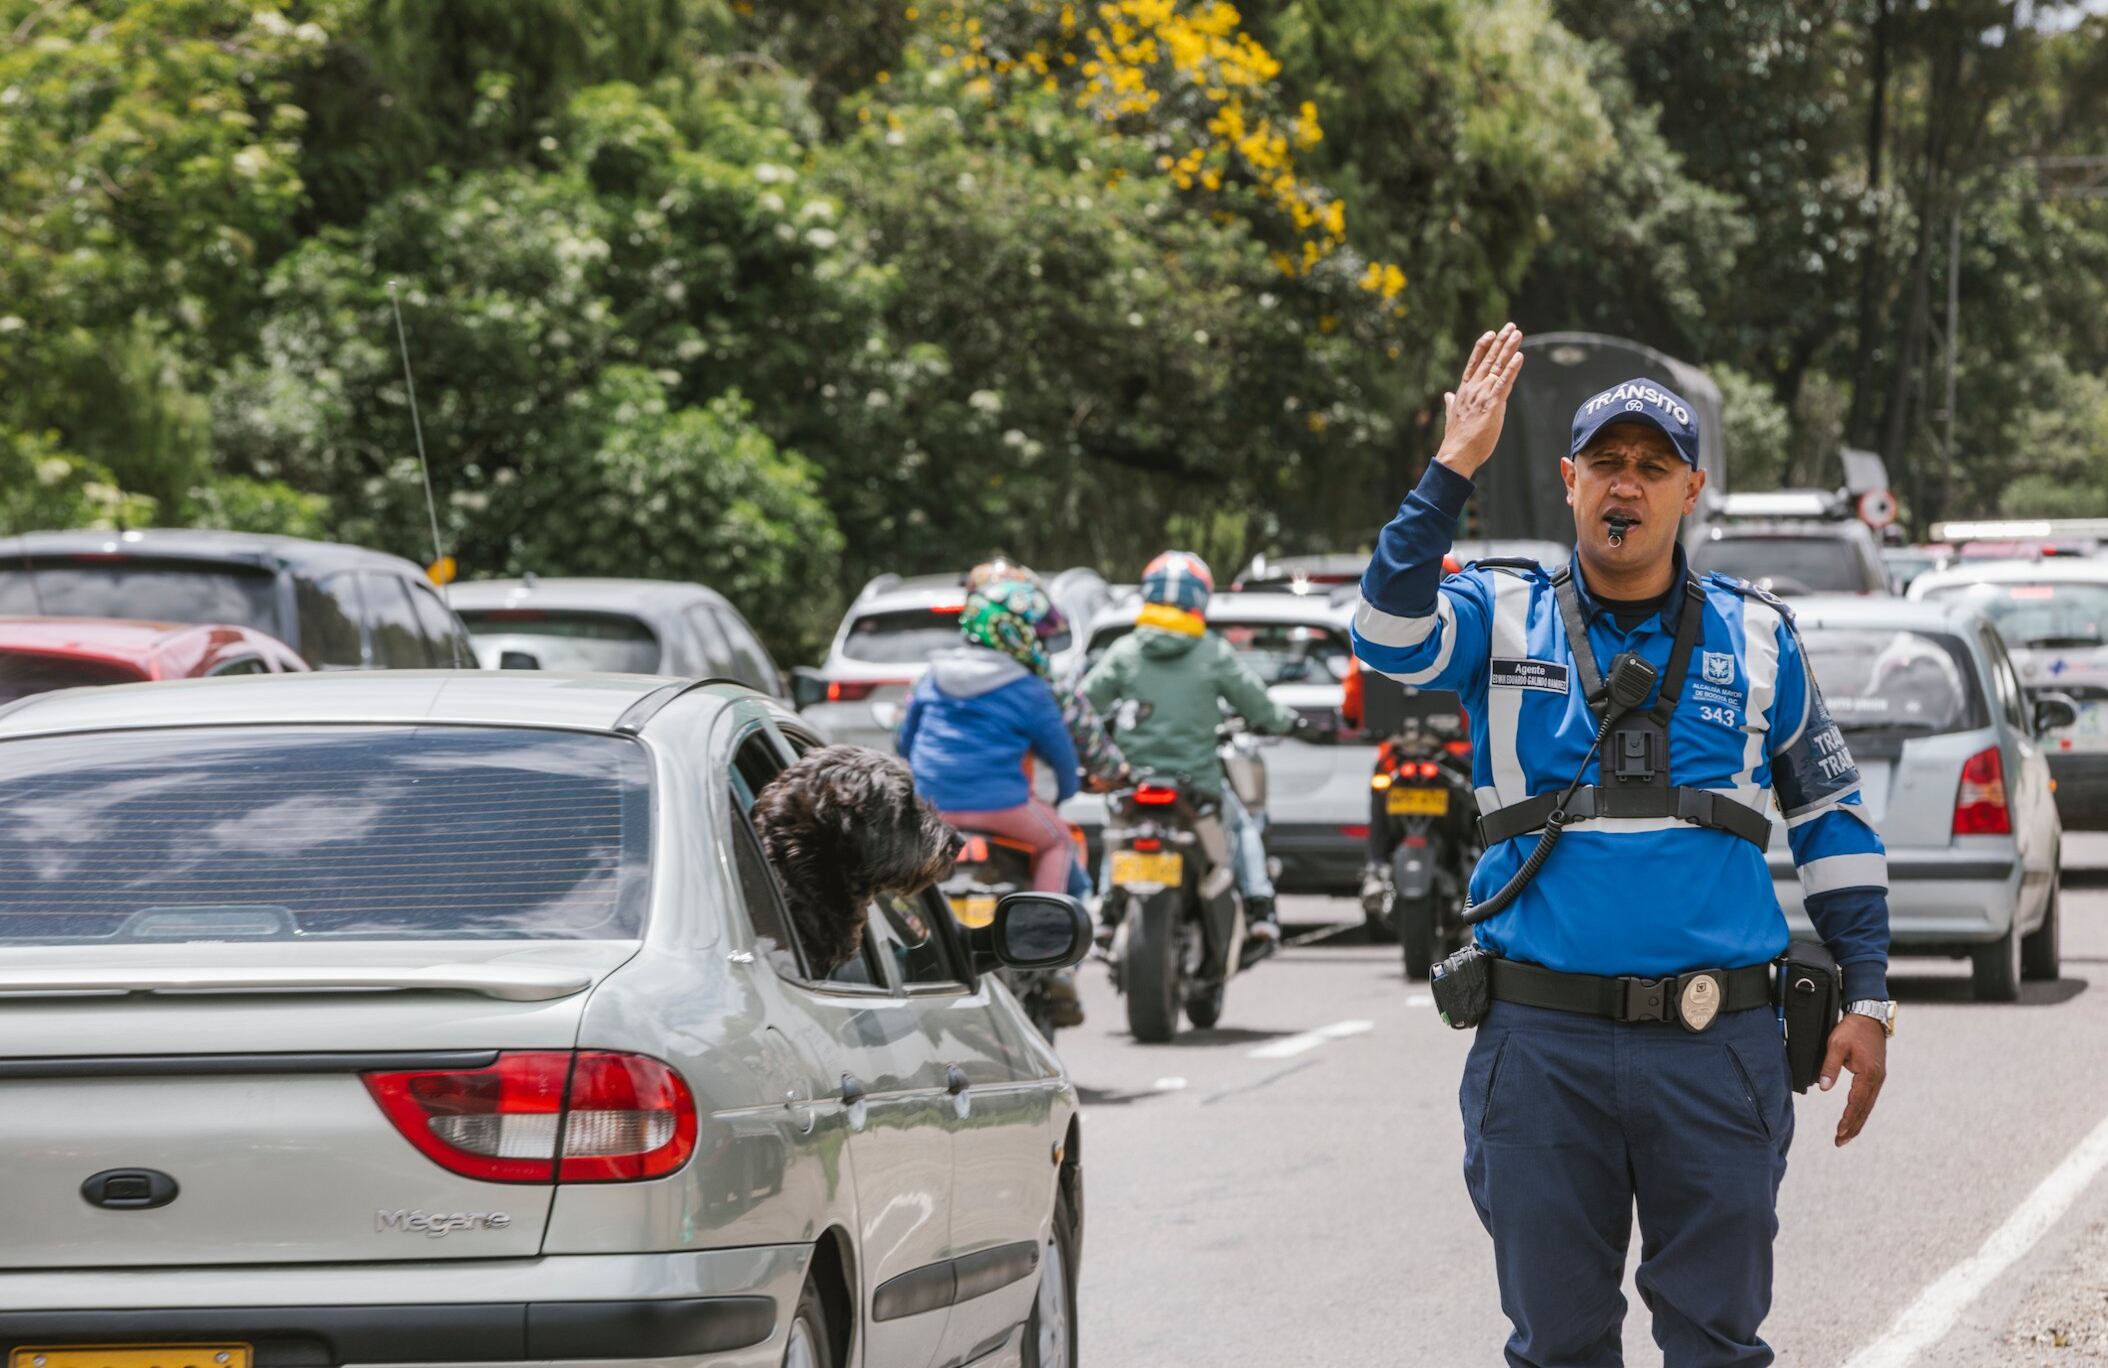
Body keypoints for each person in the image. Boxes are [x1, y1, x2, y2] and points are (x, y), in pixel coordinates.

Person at [1351, 324, 1892, 1367]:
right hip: (1540, 1050)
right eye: (1605, 462)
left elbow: (1830, 823)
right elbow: (1380, 631)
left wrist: (1864, 996)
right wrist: (1452, 463)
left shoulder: (1759, 636)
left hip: (1717, 1047)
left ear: (1690, 490)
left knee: (1714, 1341)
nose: (1625, 486)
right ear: (1567, 480)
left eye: (1652, 467)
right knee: (1556, 1345)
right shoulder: (1497, 614)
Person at [1081, 550, 1299, 943]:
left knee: (1118, 827)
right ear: (1199, 599)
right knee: (1244, 825)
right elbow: (1259, 704)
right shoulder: (1211, 651)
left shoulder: (1126, 651)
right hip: (1197, 785)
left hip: (1133, 782)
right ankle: (1260, 907)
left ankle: (1108, 910)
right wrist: (1288, 722)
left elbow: (1083, 705)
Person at [898, 577, 1081, 894]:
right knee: (1060, 843)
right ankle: (1048, 935)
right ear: (1014, 632)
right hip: (1004, 808)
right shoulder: (1029, 688)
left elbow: (904, 743)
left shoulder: (931, 677)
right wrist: (1067, 792)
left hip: (930, 806)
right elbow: (1063, 756)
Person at [750, 745, 962, 977]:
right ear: (851, 831)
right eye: (907, 814)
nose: (952, 837)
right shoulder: (790, 951)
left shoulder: (757, 911)